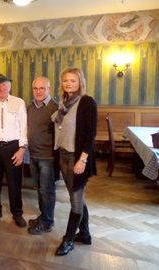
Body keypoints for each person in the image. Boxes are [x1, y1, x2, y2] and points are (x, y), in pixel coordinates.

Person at [51, 67, 97, 256]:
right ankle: (84, 234)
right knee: (75, 196)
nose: (69, 84)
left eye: (73, 80)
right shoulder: (64, 103)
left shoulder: (86, 102)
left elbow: (90, 133)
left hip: (78, 158)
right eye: (66, 80)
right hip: (63, 155)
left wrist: (82, 160)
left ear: (80, 83)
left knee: (75, 200)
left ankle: (68, 240)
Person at [0, 73, 27, 228]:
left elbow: (24, 127)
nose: (2, 88)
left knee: (14, 182)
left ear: (10, 86)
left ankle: (17, 212)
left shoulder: (19, 103)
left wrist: (22, 149)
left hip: (13, 147)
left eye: (5, 84)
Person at [27, 77, 58, 235]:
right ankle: (43, 216)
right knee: (39, 189)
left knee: (47, 191)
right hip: (33, 155)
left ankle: (47, 222)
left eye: (42, 88)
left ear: (49, 89)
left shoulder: (55, 108)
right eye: (35, 88)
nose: (38, 91)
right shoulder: (31, 106)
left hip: (48, 157)